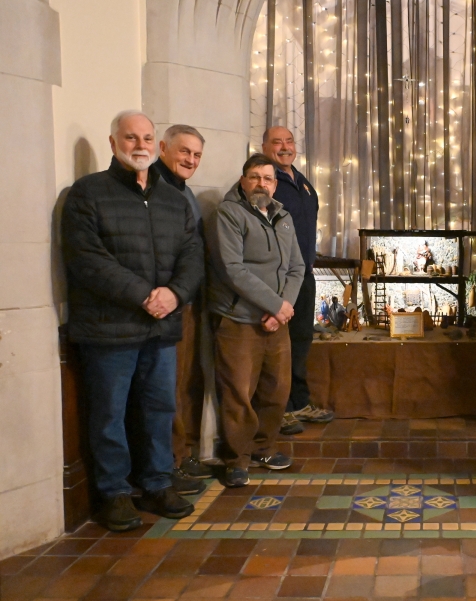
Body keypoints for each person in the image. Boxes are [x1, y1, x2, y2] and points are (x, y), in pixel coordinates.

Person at [62, 110, 204, 531]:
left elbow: (193, 255)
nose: (139, 145)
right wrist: (144, 295)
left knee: (160, 409)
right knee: (109, 414)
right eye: (130, 138)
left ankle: (158, 483)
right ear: (112, 143)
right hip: (109, 329)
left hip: (160, 328)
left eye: (146, 137)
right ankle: (115, 493)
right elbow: (87, 260)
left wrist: (175, 293)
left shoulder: (174, 200)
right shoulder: (87, 194)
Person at [207, 153, 305, 487]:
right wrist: (276, 305)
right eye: (255, 176)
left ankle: (264, 448)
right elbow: (233, 269)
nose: (261, 183)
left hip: (277, 320)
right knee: (239, 393)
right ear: (243, 179)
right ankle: (237, 458)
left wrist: (284, 307)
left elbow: (297, 267)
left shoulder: (284, 215)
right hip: (240, 319)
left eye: (267, 178)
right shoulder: (229, 213)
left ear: (275, 184)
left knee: (277, 389)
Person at [261, 126, 334, 436]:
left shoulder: (301, 182)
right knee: (279, 346)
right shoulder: (266, 182)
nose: (284, 147)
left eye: (289, 141)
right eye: (277, 142)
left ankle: (299, 402)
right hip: (279, 279)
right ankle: (281, 409)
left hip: (304, 274)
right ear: (265, 146)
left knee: (301, 339)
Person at [153, 124, 213, 489]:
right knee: (166, 389)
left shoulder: (184, 192)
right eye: (184, 151)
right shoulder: (154, 190)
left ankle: (182, 453)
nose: (190, 160)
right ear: (163, 148)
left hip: (187, 302)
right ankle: (168, 463)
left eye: (196, 155)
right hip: (165, 304)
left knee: (185, 382)